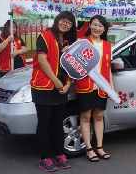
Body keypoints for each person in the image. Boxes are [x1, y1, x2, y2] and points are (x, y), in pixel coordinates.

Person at [30, 11, 77, 171]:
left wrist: (67, 83)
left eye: (69, 22)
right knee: (44, 124)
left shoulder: (69, 42)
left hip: (61, 89)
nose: (65, 24)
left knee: (58, 124)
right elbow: (42, 62)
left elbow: (71, 66)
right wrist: (57, 82)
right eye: (63, 20)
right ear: (57, 20)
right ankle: (44, 158)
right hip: (43, 87)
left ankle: (59, 155)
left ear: (72, 26)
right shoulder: (45, 36)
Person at [75, 15, 114, 162]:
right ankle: (89, 149)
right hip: (85, 85)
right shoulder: (82, 42)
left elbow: (108, 68)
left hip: (102, 87)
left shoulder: (108, 46)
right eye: (94, 25)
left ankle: (100, 147)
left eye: (100, 26)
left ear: (104, 29)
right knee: (85, 117)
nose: (97, 28)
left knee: (99, 117)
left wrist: (111, 87)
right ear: (90, 26)